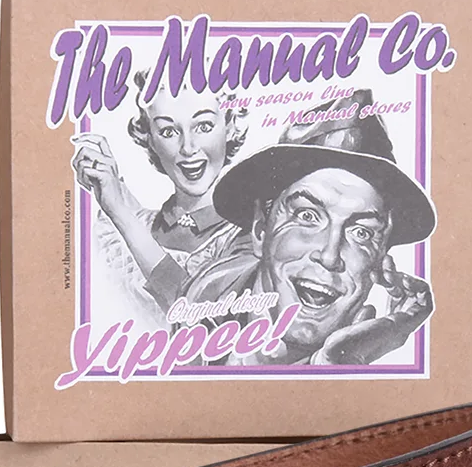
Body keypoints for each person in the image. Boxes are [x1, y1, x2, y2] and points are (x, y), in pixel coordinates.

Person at [183, 90, 436, 365]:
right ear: (260, 230)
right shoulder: (198, 309)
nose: (329, 256)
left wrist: (338, 364)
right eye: (307, 216)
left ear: (380, 262)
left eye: (361, 233)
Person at [71, 69, 249, 320]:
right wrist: (108, 185)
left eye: (204, 126)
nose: (188, 148)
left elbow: (196, 317)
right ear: (149, 139)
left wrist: (119, 211)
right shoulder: (125, 227)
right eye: (168, 131)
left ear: (229, 128)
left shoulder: (250, 236)